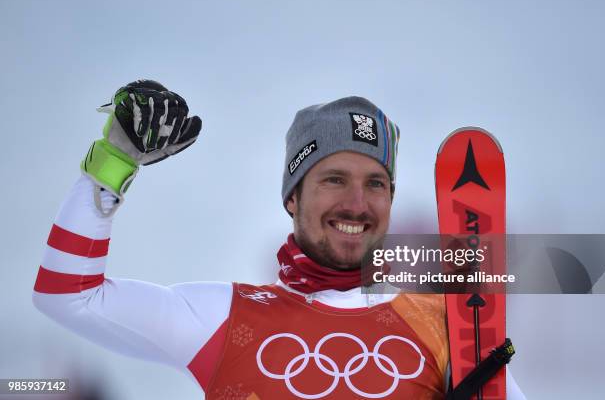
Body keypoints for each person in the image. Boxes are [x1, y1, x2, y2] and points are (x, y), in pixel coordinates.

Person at [33, 80, 526, 399]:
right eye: (334, 179)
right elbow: (66, 296)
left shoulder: (452, 327)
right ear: (292, 197)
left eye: (376, 183)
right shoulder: (225, 318)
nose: (357, 203)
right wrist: (110, 169)